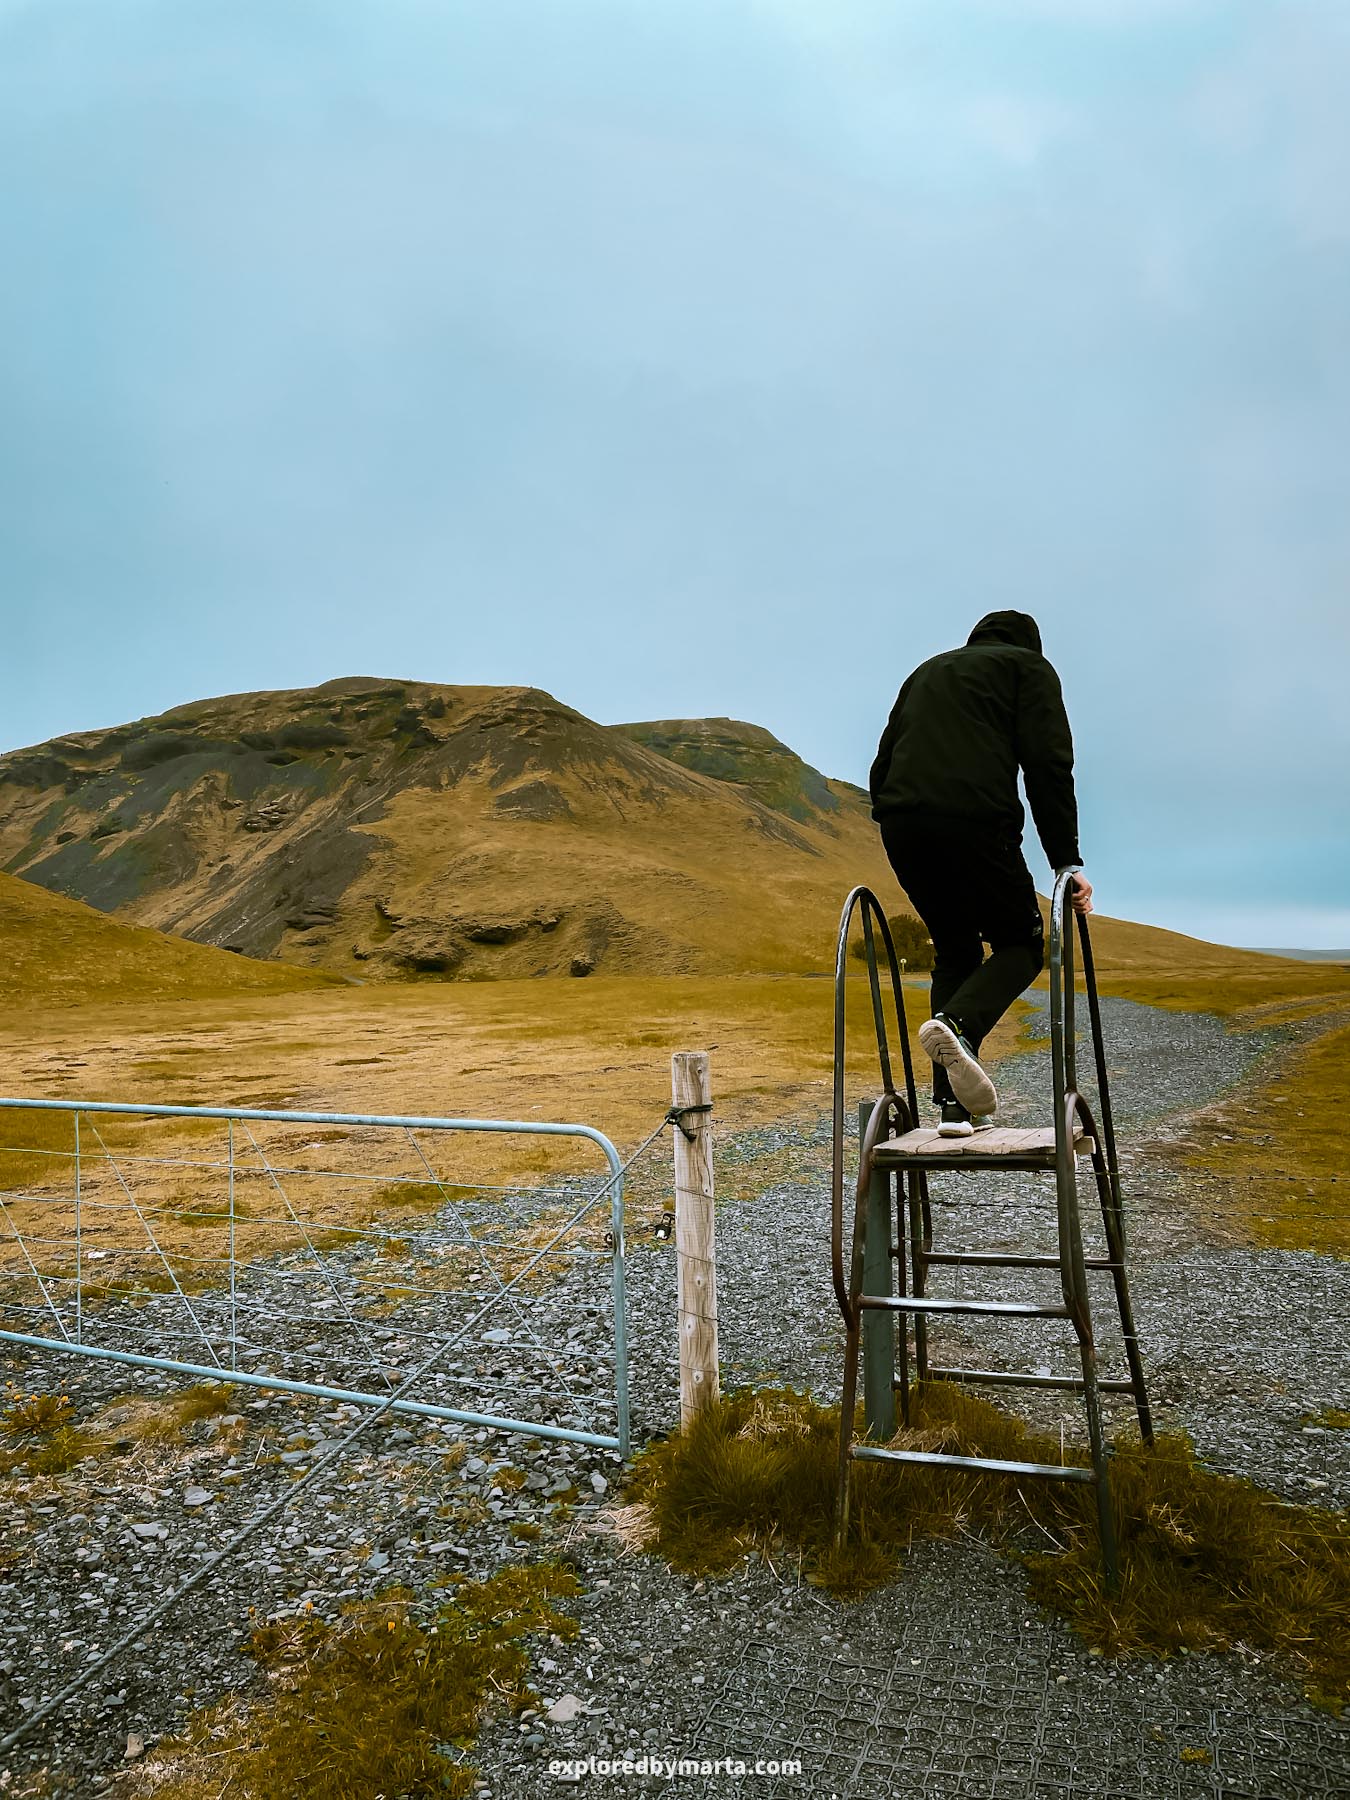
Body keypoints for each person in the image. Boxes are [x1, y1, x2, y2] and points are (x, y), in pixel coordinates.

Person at [868, 610, 1093, 1138]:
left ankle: (953, 1108)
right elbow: (1048, 764)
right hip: (973, 819)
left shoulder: (927, 670)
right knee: (1022, 943)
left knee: (956, 950)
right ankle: (957, 1027)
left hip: (903, 825)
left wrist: (894, 814)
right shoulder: (1028, 670)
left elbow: (881, 762)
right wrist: (1067, 861)